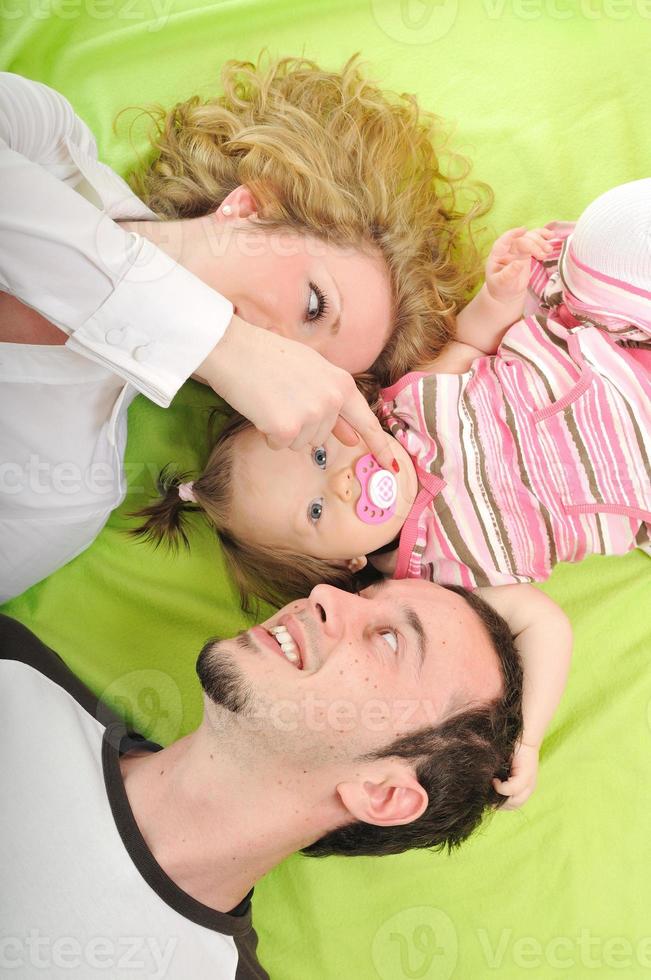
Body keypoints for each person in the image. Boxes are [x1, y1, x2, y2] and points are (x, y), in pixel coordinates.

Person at [136, 181, 651, 808]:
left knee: (608, 238)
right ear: (344, 567)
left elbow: (472, 344)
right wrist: (530, 737)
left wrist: (498, 296)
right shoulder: (436, 583)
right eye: (318, 510)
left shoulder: (407, 404)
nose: (344, 477)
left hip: (610, 344)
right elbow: (542, 622)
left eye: (322, 452)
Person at [0, 57, 488, 600]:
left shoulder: (65, 495)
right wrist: (217, 340)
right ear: (252, 204)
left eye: (310, 369)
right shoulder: (44, 142)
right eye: (313, 304)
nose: (277, 353)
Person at [1, 578, 523, 978]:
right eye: (361, 592)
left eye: (389, 640)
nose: (322, 594)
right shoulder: (12, 667)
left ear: (382, 793)